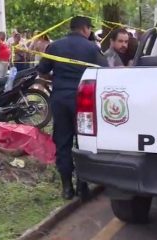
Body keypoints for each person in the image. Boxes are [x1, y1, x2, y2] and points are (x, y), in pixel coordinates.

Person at [38, 16, 108, 200]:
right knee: (84, 141)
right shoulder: (92, 48)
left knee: (62, 141)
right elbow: (105, 72)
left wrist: (57, 80)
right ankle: (82, 186)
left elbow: (42, 71)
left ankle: (67, 188)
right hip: (84, 102)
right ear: (85, 29)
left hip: (60, 100)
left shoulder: (54, 47)